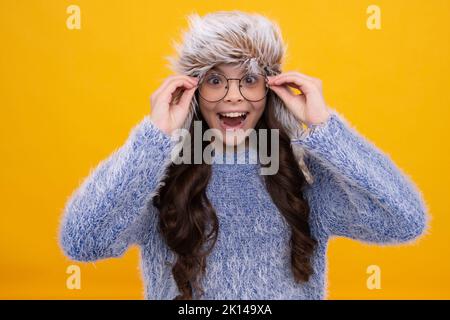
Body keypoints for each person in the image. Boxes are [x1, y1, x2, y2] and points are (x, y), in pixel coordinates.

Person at [58, 10, 429, 300]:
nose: (233, 96)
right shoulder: (157, 174)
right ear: (192, 92)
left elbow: (404, 221)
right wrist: (153, 140)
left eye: (249, 79)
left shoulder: (305, 174)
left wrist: (326, 127)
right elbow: (82, 242)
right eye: (215, 80)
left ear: (272, 89)